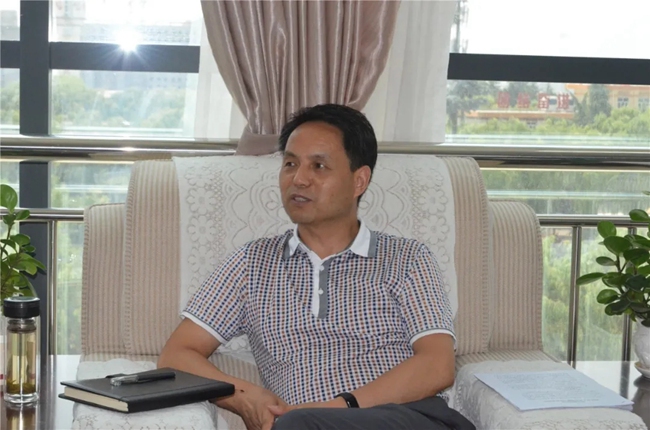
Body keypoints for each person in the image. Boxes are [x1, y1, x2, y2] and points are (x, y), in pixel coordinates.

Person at [158, 104, 475, 430]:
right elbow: (177, 355)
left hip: (410, 418)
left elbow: (437, 365)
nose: (299, 179)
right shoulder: (251, 264)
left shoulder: (407, 258)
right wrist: (243, 397)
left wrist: (339, 407)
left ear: (359, 181)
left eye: (319, 166)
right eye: (290, 164)